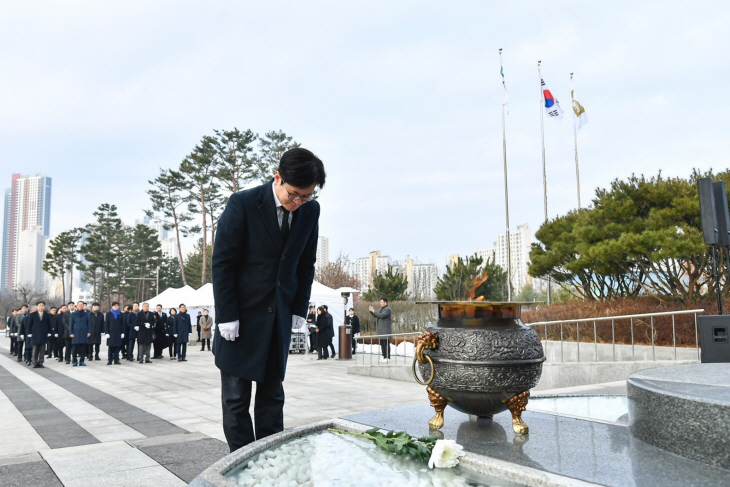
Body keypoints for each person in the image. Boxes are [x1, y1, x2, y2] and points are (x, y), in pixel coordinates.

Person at [212, 147, 325, 452]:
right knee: (236, 400)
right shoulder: (244, 204)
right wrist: (226, 315)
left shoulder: (309, 212)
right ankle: (242, 462)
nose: (298, 202)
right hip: (240, 317)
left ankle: (269, 459)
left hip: (278, 318)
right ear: (278, 177)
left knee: (272, 397)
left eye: (306, 195)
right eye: (293, 194)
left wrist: (299, 308)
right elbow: (223, 263)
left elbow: (305, 264)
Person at [28, 301, 51, 368]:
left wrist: (49, 332)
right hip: (35, 334)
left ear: (44, 307)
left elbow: (49, 324)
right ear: (37, 307)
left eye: (42, 306)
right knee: (35, 349)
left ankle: (41, 362)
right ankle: (34, 362)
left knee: (42, 349)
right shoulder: (33, 314)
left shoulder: (47, 314)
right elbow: (29, 325)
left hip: (43, 334)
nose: (41, 307)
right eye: (39, 306)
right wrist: (29, 333)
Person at [369, 297, 392, 362]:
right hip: (381, 330)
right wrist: (372, 312)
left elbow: (382, 315)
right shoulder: (381, 309)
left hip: (386, 330)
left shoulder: (388, 309)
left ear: (385, 302)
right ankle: (384, 356)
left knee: (386, 344)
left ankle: (387, 357)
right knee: (382, 344)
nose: (380, 303)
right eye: (380, 302)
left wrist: (374, 311)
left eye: (381, 302)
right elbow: (377, 315)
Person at [69, 301, 90, 366]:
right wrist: (71, 333)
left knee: (83, 349)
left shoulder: (86, 314)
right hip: (75, 333)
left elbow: (88, 323)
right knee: (74, 349)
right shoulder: (73, 314)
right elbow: (71, 324)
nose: (80, 306)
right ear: (76, 306)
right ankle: (74, 361)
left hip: (83, 333)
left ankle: (82, 361)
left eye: (82, 305)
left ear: (83, 306)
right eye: (79, 305)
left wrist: (89, 331)